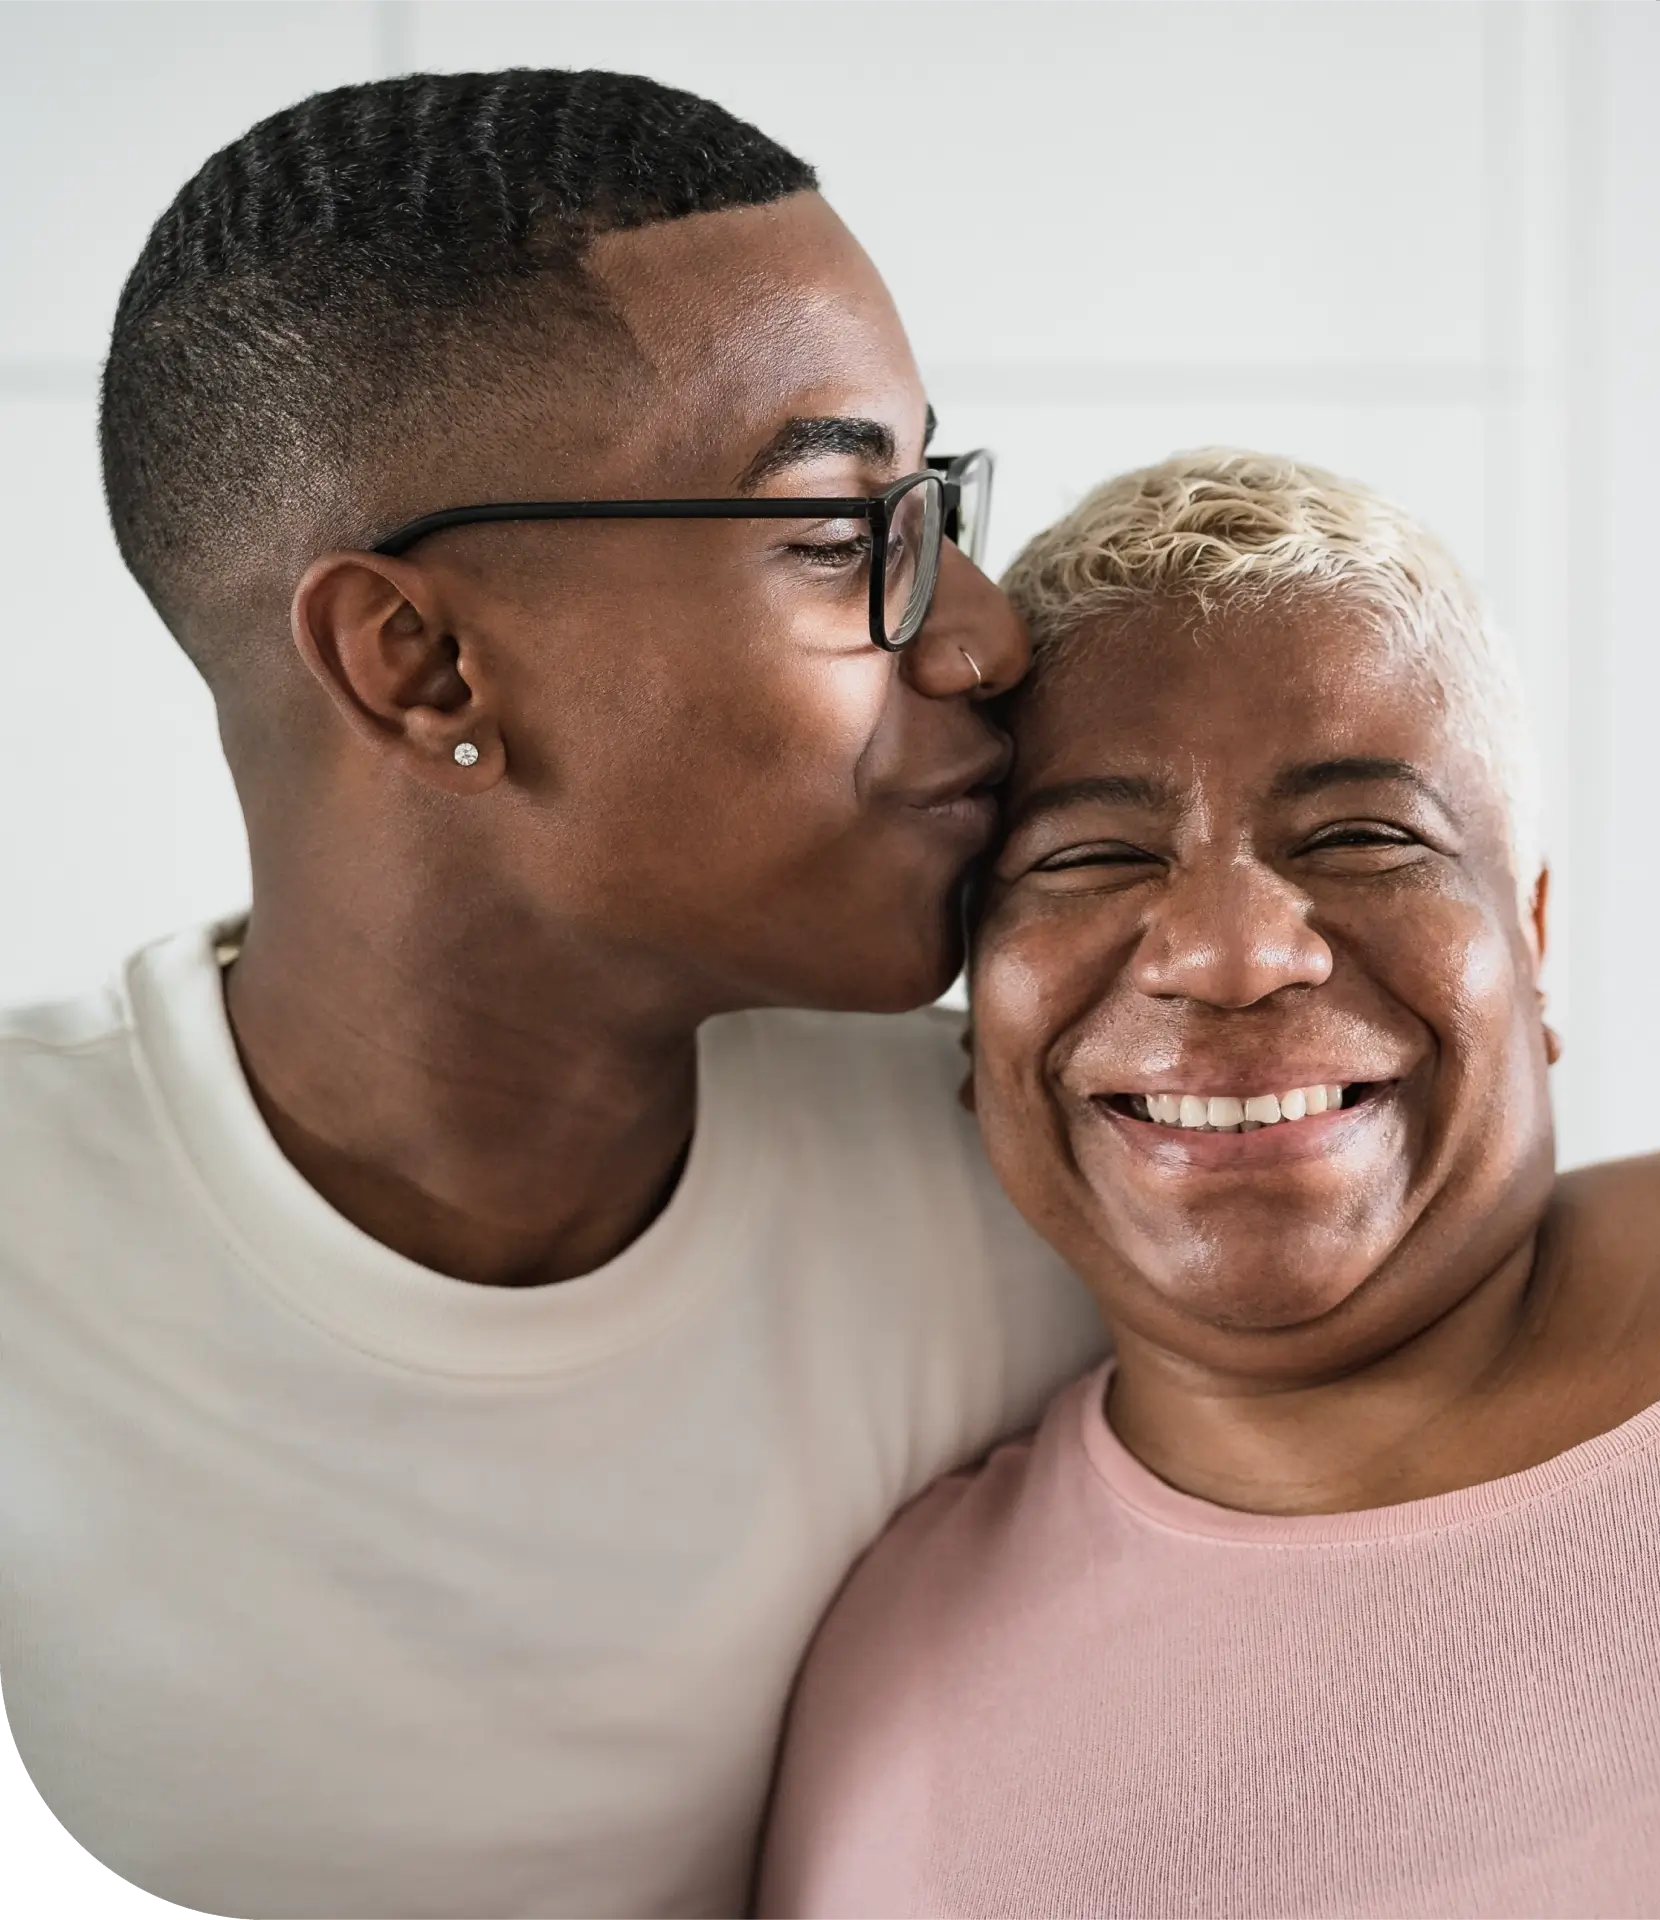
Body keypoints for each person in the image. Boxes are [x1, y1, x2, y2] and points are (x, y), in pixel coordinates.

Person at [0, 70, 1106, 1919]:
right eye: (843, 533)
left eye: (935, 503)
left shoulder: (1039, 1179)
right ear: (421, 663)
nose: (987, 635)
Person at [756, 451, 1660, 1920]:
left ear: (1534, 940)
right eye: (1092, 855)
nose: (1233, 955)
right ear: (978, 1026)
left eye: (1365, 837)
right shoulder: (890, 1690)